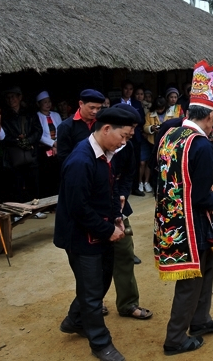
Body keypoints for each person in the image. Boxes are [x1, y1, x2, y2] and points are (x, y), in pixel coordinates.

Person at [155, 64, 213, 356]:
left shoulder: (170, 136)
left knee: (205, 269)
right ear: (212, 114)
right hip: (192, 225)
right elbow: (202, 196)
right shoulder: (200, 145)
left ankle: (200, 321)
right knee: (191, 280)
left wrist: (211, 195)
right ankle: (175, 339)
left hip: (172, 220)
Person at [55, 107, 137, 361]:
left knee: (100, 283)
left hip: (100, 230)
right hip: (81, 237)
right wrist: (108, 229)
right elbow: (78, 208)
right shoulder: (81, 160)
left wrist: (116, 218)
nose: (124, 143)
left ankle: (74, 320)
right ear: (105, 129)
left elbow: (111, 191)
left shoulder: (106, 155)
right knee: (92, 292)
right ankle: (100, 343)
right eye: (123, 136)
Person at [109, 103, 153, 319]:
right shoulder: (91, 148)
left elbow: (128, 174)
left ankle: (128, 304)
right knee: (94, 261)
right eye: (130, 129)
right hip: (98, 212)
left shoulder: (129, 146)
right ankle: (89, 305)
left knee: (125, 253)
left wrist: (123, 194)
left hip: (120, 208)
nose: (133, 134)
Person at [2, 86, 43, 203]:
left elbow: (38, 130)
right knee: (16, 184)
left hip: (31, 152)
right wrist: (17, 140)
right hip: (14, 156)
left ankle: (36, 208)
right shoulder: (5, 116)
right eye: (8, 98)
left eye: (13, 97)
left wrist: (28, 140)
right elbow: (3, 136)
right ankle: (19, 211)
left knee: (33, 182)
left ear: (20, 97)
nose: (11, 100)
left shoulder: (30, 113)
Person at [57, 89, 105, 163]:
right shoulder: (66, 126)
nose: (95, 112)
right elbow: (63, 156)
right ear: (81, 104)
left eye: (98, 108)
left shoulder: (102, 123)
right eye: (92, 108)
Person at [36, 91, 62, 198]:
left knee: (59, 174)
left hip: (58, 148)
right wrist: (52, 143)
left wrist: (58, 144)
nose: (48, 104)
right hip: (44, 149)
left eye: (49, 102)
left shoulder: (56, 115)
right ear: (39, 104)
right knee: (47, 176)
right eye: (44, 102)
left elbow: (61, 129)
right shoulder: (36, 116)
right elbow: (39, 134)